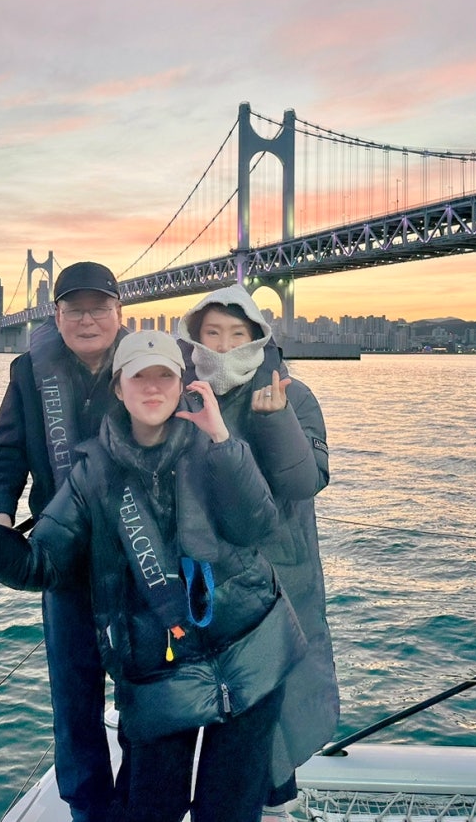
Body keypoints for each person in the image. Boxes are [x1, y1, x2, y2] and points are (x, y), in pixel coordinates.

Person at [0, 331, 307, 822]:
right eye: (139, 377)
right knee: (150, 808)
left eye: (164, 377)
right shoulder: (92, 474)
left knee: (231, 812)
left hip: (253, 653)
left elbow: (257, 525)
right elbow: (43, 562)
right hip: (159, 675)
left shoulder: (213, 443)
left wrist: (222, 440)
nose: (152, 388)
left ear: (181, 384)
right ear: (118, 387)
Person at [177, 285, 340, 822]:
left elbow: (305, 482)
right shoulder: (182, 394)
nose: (224, 347)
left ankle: (275, 805)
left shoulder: (294, 394)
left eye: (237, 335)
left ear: (258, 339)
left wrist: (275, 420)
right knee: (216, 708)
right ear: (195, 339)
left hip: (278, 576)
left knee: (275, 705)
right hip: (206, 582)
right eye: (212, 334)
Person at [0, 261, 125, 822]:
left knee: (145, 687)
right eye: (74, 309)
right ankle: (88, 810)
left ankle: (140, 802)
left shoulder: (150, 363)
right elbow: (5, 454)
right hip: (63, 558)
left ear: (119, 312)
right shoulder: (27, 373)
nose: (88, 320)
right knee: (73, 693)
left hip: (139, 555)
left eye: (99, 307)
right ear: (56, 316)